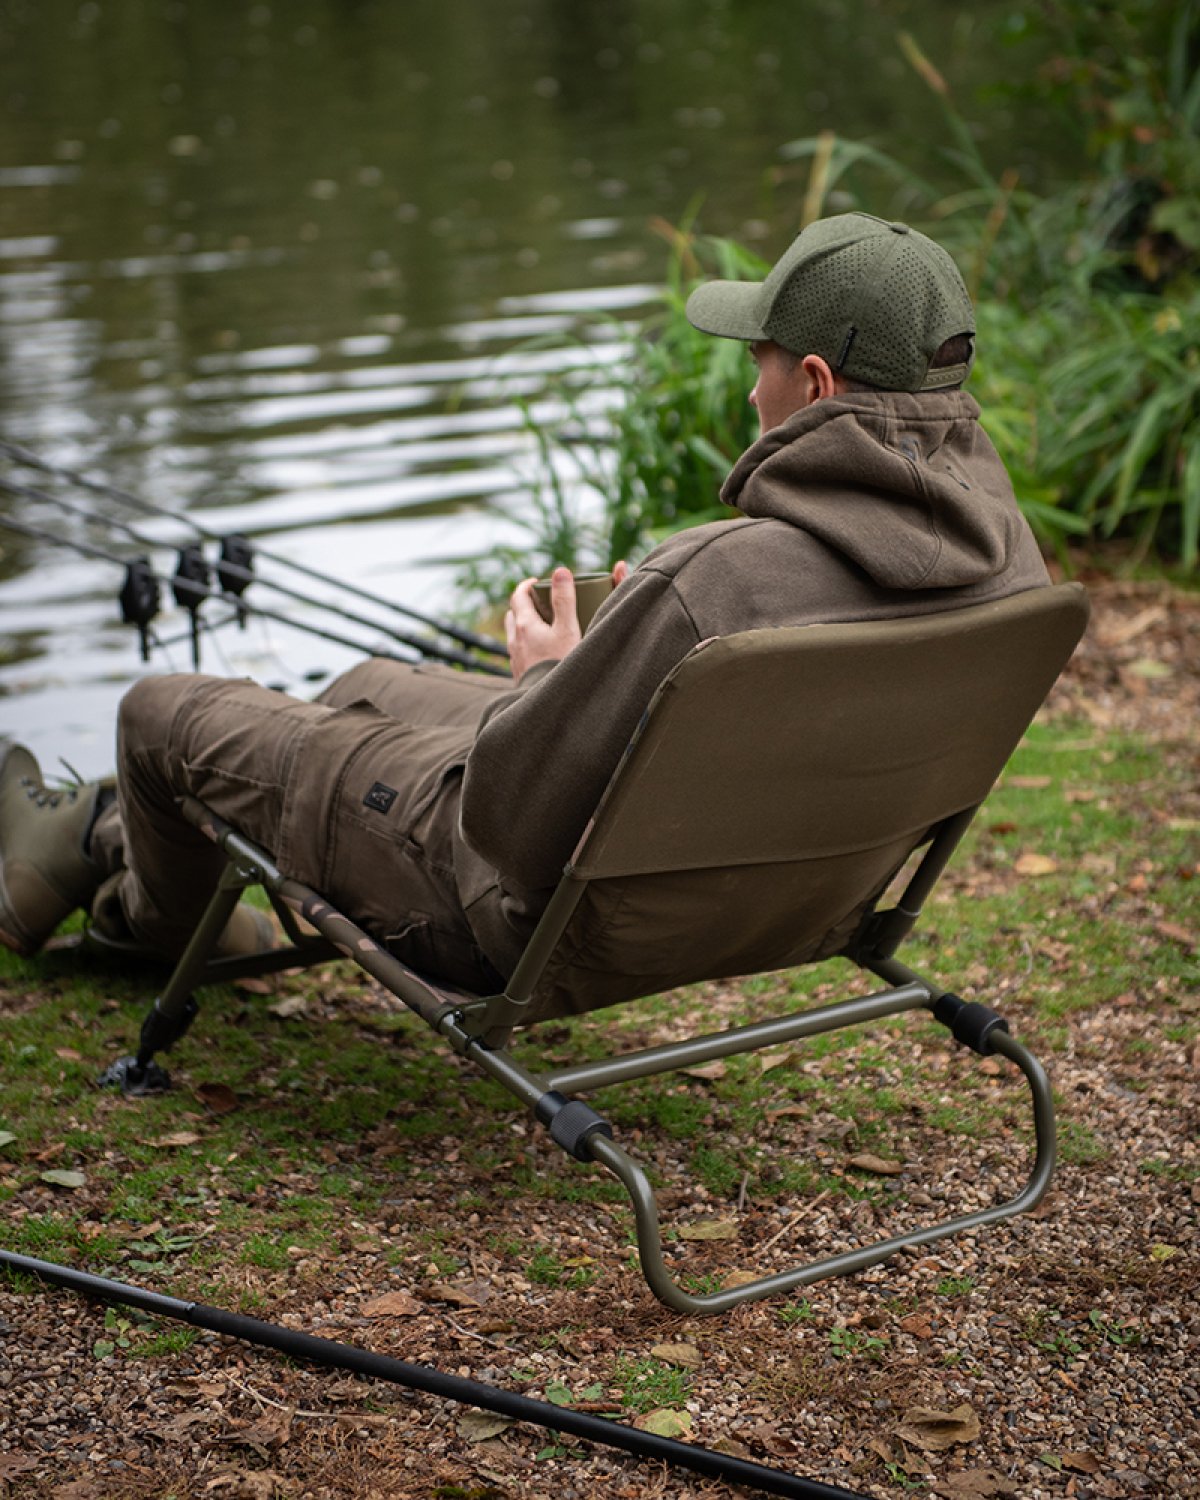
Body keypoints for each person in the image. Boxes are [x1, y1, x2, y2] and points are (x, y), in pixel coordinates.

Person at [0, 212, 1049, 1004]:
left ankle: (115, 868)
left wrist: (551, 671)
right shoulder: (1016, 573)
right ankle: (136, 853)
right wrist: (626, 662)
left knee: (156, 713)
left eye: (757, 361)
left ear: (815, 384)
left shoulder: (720, 579)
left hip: (519, 917)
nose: (749, 391)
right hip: (783, 906)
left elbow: (502, 818)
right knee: (363, 685)